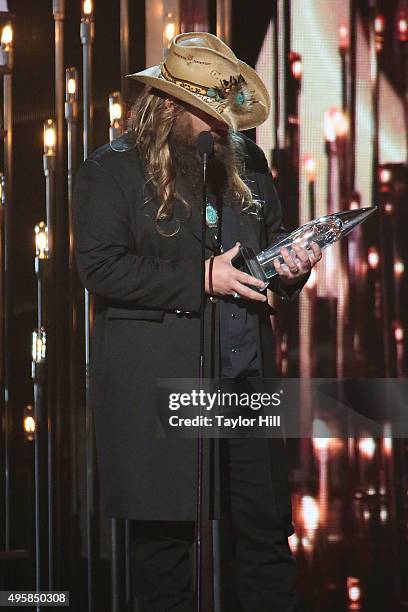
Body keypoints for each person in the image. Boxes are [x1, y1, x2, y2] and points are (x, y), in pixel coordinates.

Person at [73, 31, 322, 612]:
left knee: (265, 544)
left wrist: (292, 267)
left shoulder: (249, 162)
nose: (219, 124)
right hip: (164, 386)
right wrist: (199, 279)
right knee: (165, 555)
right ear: (168, 106)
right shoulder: (111, 171)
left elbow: (267, 248)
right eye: (206, 112)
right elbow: (100, 267)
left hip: (244, 381)